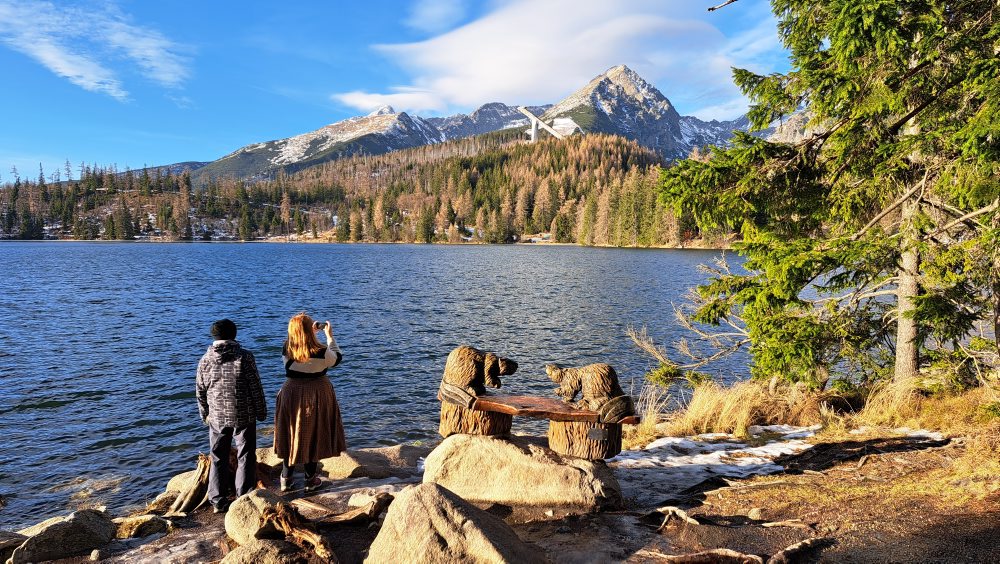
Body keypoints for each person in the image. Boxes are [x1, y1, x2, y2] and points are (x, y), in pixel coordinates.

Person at [195, 319, 267, 513]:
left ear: (214, 337)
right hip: (243, 414)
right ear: (234, 335)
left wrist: (205, 415)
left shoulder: (205, 360)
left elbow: (200, 391)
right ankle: (243, 496)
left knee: (218, 456)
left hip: (217, 416)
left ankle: (217, 500)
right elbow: (255, 387)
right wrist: (261, 412)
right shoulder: (245, 357)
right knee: (245, 455)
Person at [273, 312, 346, 492]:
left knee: (291, 433)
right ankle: (310, 479)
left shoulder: (286, 348)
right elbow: (337, 359)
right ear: (310, 330)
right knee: (315, 432)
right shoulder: (321, 352)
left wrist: (307, 333)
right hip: (318, 392)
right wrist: (329, 336)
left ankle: (286, 479)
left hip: (291, 392)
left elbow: (300, 350)